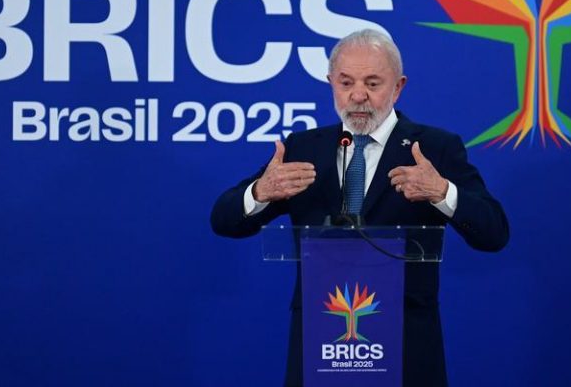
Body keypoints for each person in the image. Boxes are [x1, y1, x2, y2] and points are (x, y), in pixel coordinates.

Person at [211, 29, 509, 387]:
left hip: (406, 345)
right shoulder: (304, 148)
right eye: (346, 82)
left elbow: (493, 232)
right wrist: (260, 191)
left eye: (372, 83)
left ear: (398, 87)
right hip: (321, 341)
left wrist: (442, 192)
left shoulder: (435, 148)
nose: (357, 95)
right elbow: (224, 219)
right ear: (331, 83)